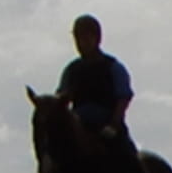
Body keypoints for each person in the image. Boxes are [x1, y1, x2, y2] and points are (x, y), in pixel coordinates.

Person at [54, 15, 135, 147]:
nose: (81, 43)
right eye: (78, 39)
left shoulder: (113, 67)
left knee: (128, 157)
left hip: (107, 125)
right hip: (78, 126)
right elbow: (62, 98)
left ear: (97, 39)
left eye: (85, 38)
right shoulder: (71, 70)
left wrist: (113, 124)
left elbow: (123, 97)